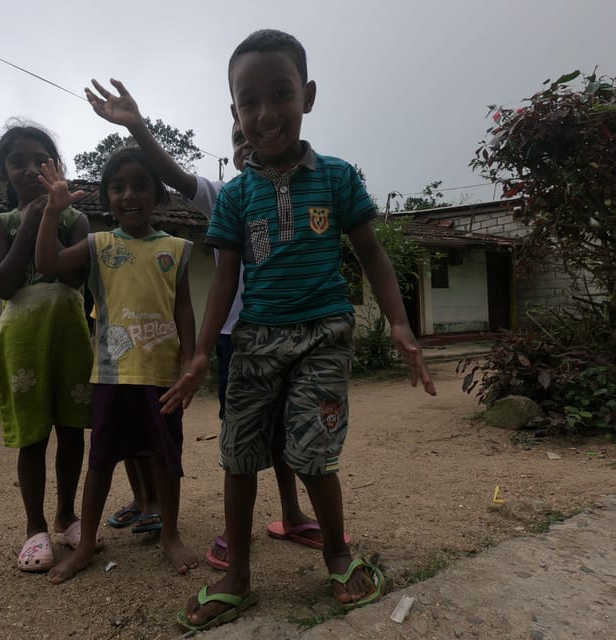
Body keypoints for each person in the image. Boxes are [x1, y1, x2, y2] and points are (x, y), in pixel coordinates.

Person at [160, 30, 437, 631]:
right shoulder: (234, 196)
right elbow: (226, 281)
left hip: (322, 335)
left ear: (307, 95)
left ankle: (339, 554)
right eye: (249, 100)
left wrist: (399, 324)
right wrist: (203, 352)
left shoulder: (337, 178)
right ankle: (237, 576)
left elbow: (372, 255)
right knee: (237, 456)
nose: (266, 113)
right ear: (234, 111)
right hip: (256, 338)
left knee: (313, 453)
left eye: (280, 93)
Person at [84, 78, 344, 569]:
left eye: (253, 137)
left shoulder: (316, 183)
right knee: (244, 436)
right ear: (235, 143)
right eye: (238, 139)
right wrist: (138, 127)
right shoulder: (227, 194)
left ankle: (292, 514)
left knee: (296, 431)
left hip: (301, 334)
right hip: (235, 340)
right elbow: (175, 177)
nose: (248, 144)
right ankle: (235, 532)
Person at [34, 147, 198, 582]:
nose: (130, 195)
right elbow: (46, 263)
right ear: (107, 197)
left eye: (141, 186)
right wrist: (53, 211)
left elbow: (184, 310)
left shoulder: (175, 249)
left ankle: (171, 535)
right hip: (111, 374)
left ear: (157, 195)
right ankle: (86, 544)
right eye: (119, 187)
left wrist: (193, 363)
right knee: (102, 461)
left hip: (162, 376)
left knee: (166, 458)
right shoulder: (97, 245)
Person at [0, 123, 95, 572]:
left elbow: (73, 278)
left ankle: (67, 515)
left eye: (40, 161)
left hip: (69, 332)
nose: (30, 170)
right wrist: (29, 222)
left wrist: (50, 215)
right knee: (32, 435)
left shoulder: (76, 220)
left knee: (71, 428)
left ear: (57, 168)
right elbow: (4, 284)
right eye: (17, 162)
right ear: (3, 172)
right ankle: (35, 527)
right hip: (23, 339)